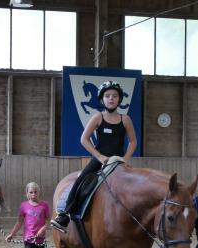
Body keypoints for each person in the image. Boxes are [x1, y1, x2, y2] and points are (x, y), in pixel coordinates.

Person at [50, 81, 137, 233]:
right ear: (102, 99)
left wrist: (125, 158)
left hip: (118, 162)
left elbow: (133, 141)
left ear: (119, 99)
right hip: (99, 160)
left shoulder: (126, 119)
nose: (111, 98)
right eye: (108, 96)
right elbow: (84, 139)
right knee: (80, 180)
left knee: (134, 184)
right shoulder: (98, 117)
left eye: (115, 96)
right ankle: (64, 215)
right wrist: (100, 156)